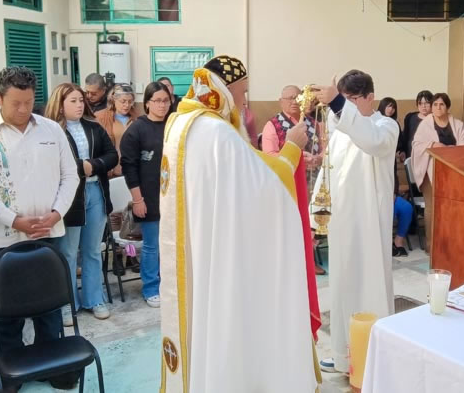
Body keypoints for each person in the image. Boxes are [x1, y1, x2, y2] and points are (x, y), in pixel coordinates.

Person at [159, 55, 319, 393]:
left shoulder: (181, 123)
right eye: (242, 91)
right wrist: (293, 147)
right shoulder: (216, 131)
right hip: (222, 249)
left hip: (198, 242)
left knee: (203, 316)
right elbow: (262, 187)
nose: (245, 99)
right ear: (224, 88)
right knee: (227, 317)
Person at [0, 67, 79, 392]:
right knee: (7, 314)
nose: (24, 109)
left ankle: (51, 367)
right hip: (4, 239)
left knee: (50, 309)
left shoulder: (51, 130)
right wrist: (14, 220)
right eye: (16, 103)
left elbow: (71, 176)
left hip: (48, 234)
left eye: (29, 102)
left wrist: (56, 214)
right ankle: (12, 373)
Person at [312, 70, 400, 374]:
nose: (345, 107)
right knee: (342, 288)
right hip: (342, 222)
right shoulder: (341, 131)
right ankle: (343, 356)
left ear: (370, 97)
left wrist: (337, 102)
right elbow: (329, 169)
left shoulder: (385, 127)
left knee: (370, 286)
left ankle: (373, 359)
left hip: (369, 223)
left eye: (351, 99)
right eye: (344, 99)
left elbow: (371, 141)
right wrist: (316, 212)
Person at [44, 83, 118, 325]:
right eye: (73, 101)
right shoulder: (51, 131)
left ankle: (94, 299)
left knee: (93, 250)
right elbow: (50, 162)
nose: (79, 105)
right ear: (60, 105)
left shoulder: (93, 127)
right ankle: (67, 303)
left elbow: (112, 156)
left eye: (80, 100)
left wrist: (93, 166)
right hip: (70, 197)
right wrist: (79, 167)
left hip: (96, 191)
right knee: (67, 251)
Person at [262, 85, 326, 275]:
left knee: (315, 218)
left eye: (297, 97)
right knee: (292, 220)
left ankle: (309, 257)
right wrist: (296, 159)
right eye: (289, 98)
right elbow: (269, 156)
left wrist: (318, 158)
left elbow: (327, 149)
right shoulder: (272, 125)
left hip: (314, 181)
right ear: (280, 101)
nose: (294, 101)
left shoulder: (315, 123)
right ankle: (292, 260)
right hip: (288, 183)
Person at [119, 82, 172, 308]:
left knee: (170, 244)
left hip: (172, 197)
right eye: (157, 100)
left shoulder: (173, 126)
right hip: (148, 197)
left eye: (166, 100)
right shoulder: (137, 130)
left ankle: (168, 285)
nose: (162, 105)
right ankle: (151, 287)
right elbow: (129, 167)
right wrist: (137, 200)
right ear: (147, 103)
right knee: (151, 245)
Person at [411, 93, 464, 253]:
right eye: (435, 104)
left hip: (453, 171)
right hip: (430, 170)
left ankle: (450, 242)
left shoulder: (457, 124)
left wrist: (449, 150)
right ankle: (431, 244)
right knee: (432, 207)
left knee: (453, 206)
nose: (438, 107)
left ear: (447, 107)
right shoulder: (425, 125)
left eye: (441, 104)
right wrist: (433, 144)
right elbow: (417, 145)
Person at [377, 97, 413, 257]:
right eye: (388, 106)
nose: (390, 109)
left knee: (406, 208)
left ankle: (398, 241)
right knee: (385, 211)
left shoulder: (390, 156)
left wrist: (393, 192)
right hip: (374, 196)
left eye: (393, 107)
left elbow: (393, 175)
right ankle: (383, 244)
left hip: (390, 192)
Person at [96, 83, 139, 177]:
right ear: (114, 99)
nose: (127, 105)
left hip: (133, 170)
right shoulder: (101, 117)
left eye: (130, 101)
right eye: (123, 101)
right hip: (112, 170)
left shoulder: (136, 118)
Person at [401, 90, 433, 159]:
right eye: (420, 103)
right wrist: (402, 150)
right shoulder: (410, 117)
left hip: (428, 156)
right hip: (411, 155)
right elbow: (405, 135)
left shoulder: (435, 119)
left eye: (427, 103)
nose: (423, 106)